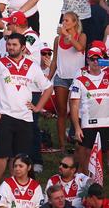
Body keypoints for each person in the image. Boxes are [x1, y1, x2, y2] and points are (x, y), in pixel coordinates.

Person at [0, 33, 53, 195]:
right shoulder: (0, 64)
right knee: (1, 154)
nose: (10, 47)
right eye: (9, 44)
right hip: (4, 116)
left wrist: (38, 107)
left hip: (25, 117)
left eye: (14, 45)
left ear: (23, 47)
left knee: (19, 156)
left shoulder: (32, 66)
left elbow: (48, 88)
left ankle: (13, 186)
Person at [48, 12, 86, 150]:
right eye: (63, 20)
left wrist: (67, 35)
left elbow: (79, 48)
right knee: (62, 111)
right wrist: (49, 77)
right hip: (62, 77)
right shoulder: (58, 39)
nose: (64, 22)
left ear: (75, 22)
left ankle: (78, 141)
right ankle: (62, 145)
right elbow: (54, 60)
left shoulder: (81, 36)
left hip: (77, 79)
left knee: (78, 111)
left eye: (67, 20)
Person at [69, 46, 109, 175]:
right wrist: (77, 127)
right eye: (92, 59)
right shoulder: (79, 80)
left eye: (98, 59)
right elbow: (74, 105)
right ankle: (86, 182)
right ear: (87, 60)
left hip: (107, 123)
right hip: (88, 123)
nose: (95, 62)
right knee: (85, 155)